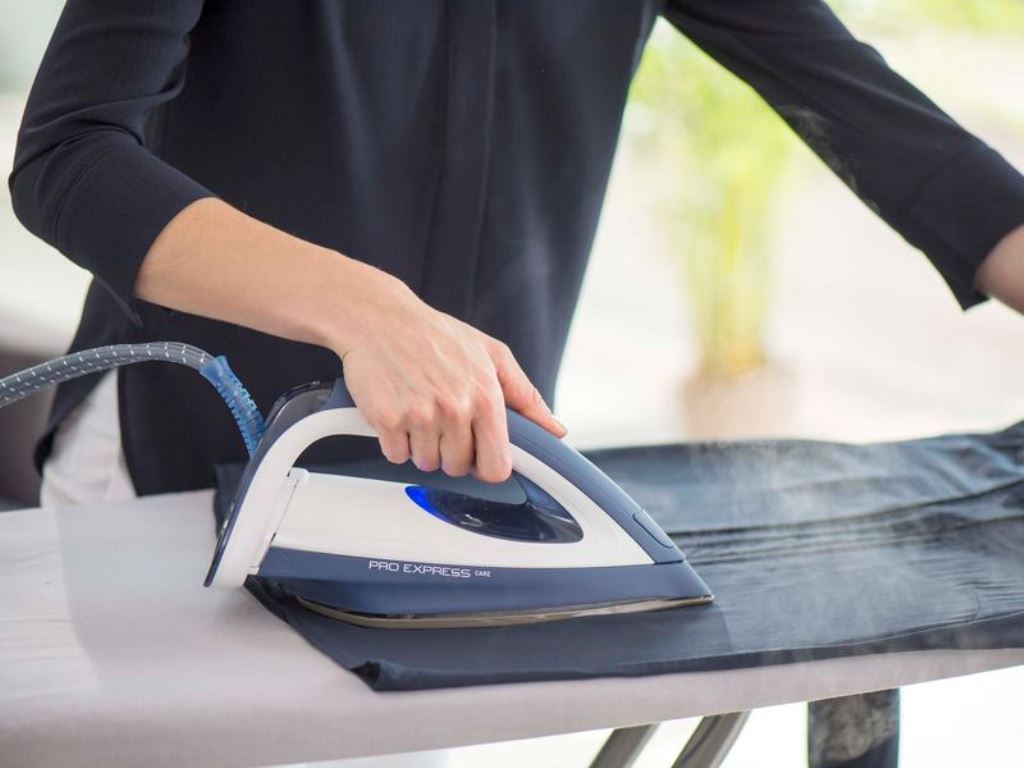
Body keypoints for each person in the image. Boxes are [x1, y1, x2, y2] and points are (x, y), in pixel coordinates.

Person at [9, 3, 1024, 767]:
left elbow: (872, 114)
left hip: (444, 509)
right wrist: (370, 312)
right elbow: (69, 155)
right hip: (181, 466)